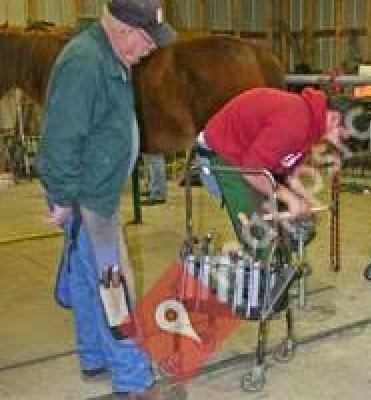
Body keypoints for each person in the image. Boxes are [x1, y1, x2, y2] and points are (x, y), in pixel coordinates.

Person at [35, 1, 184, 399]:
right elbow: (60, 138)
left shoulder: (109, 55)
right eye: (147, 41)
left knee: (88, 280)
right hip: (87, 195)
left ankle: (95, 357)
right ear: (123, 29)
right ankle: (135, 381)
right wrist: (65, 197)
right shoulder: (87, 62)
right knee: (113, 284)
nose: (151, 50)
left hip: (92, 190)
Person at [195, 87, 349, 254]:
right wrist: (290, 199)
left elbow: (290, 170)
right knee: (260, 236)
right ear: (334, 118)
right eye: (340, 137)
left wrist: (304, 200)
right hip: (223, 155)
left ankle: (274, 268)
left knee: (290, 228)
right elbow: (252, 171)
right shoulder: (296, 123)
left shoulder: (311, 125)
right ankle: (257, 270)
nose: (336, 143)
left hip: (248, 160)